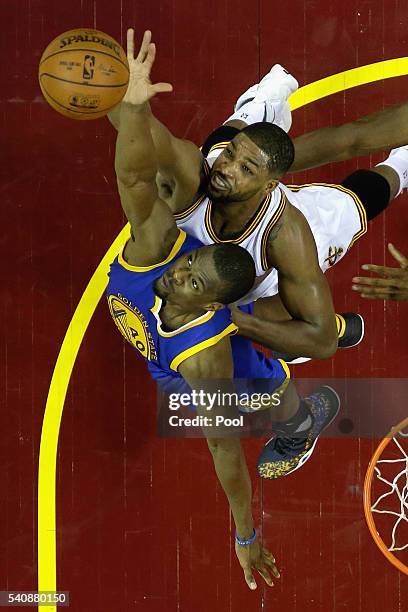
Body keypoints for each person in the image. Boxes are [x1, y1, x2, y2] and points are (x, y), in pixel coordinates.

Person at [108, 29, 341, 590]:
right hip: (168, 356)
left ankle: (301, 425)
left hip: (192, 359)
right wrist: (131, 107)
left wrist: (244, 535)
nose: (177, 273)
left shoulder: (209, 363)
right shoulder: (154, 252)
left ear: (213, 305)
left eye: (189, 279)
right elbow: (134, 173)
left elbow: (225, 454)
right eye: (189, 263)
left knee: (267, 387)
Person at [109, 35, 408, 360]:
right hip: (195, 259)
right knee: (216, 151)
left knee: (354, 203)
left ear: (270, 187)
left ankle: (401, 166)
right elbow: (141, 134)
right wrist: (125, 98)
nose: (227, 168)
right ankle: (261, 104)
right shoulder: (196, 175)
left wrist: (235, 322)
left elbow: (320, 341)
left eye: (246, 168)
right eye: (233, 157)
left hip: (256, 278)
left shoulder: (286, 233)